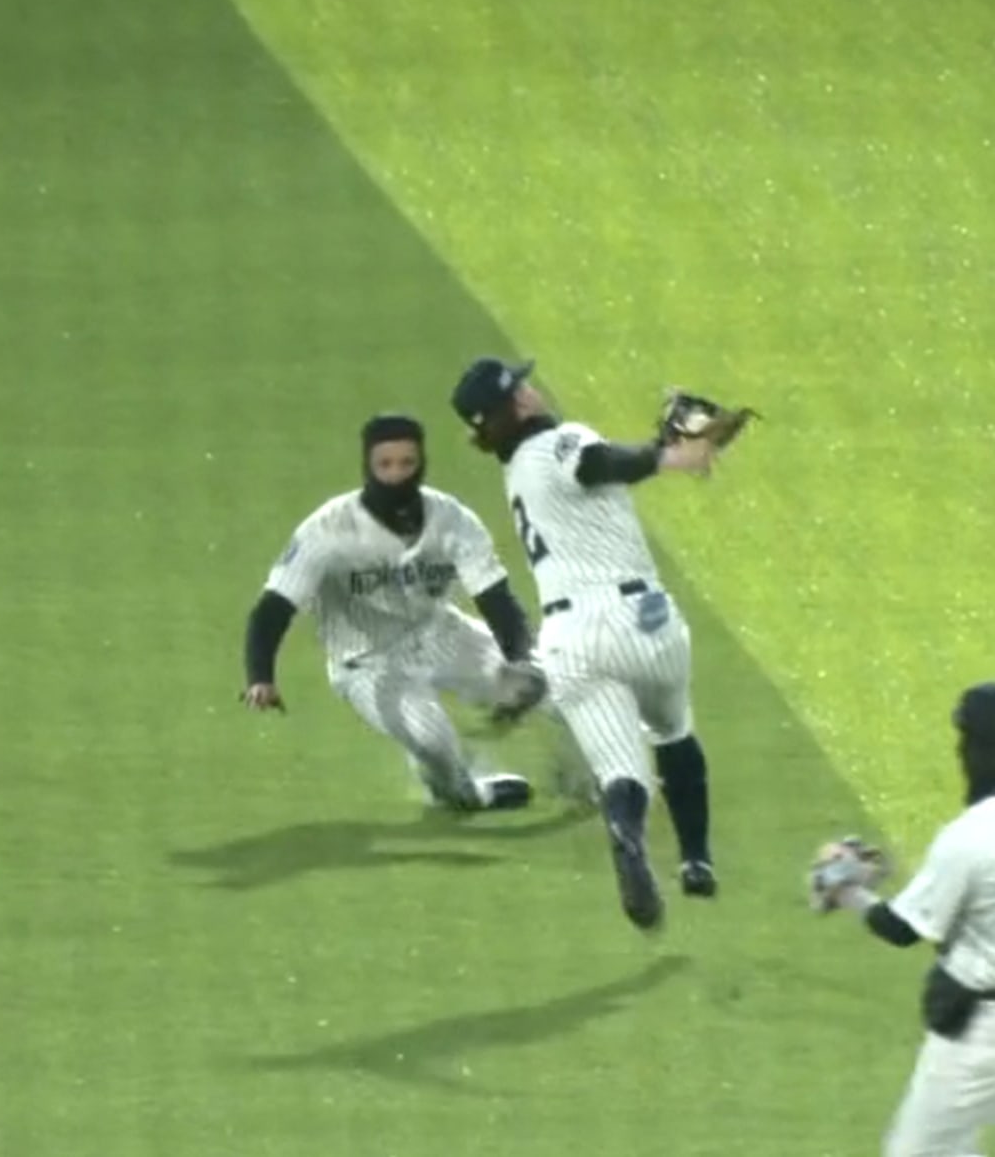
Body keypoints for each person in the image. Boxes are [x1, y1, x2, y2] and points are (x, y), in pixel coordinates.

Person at [448, 356, 720, 932]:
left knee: (623, 773)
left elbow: (600, 471)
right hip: (639, 617)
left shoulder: (516, 473)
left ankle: (627, 832)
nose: (534, 388)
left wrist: (657, 446)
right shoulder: (562, 440)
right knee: (672, 731)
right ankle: (697, 861)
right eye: (523, 385)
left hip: (568, 642)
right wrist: (676, 455)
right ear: (519, 402)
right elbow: (597, 463)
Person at [814, 682, 995, 1157]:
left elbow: (901, 928)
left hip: (980, 1041)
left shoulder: (969, 838)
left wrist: (847, 888)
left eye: (966, 740)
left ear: (980, 748)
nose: (960, 752)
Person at [238, 413, 542, 813]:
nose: (396, 475)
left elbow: (495, 596)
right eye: (385, 465)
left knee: (544, 680)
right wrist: (261, 677)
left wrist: (520, 656)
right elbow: (273, 608)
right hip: (366, 664)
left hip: (442, 634)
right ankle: (465, 792)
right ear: (367, 466)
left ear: (422, 464)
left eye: (407, 464)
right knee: (433, 741)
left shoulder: (451, 518)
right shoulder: (328, 530)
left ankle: (596, 776)